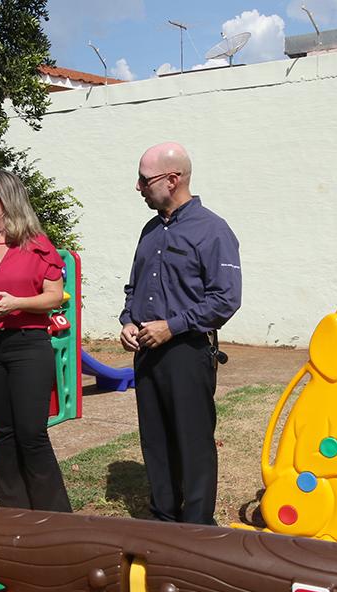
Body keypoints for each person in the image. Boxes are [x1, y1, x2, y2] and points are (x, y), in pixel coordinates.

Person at [119, 142, 242, 525]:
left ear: (173, 180)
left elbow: (226, 299)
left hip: (188, 352)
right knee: (155, 439)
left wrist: (172, 327)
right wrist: (127, 319)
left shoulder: (213, 231)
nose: (139, 188)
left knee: (193, 442)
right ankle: (163, 518)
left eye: (145, 179)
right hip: (147, 351)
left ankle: (197, 525)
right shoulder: (150, 231)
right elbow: (134, 287)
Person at [0, 170, 72, 512]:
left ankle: (55, 515)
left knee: (32, 432)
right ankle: (14, 511)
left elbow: (54, 297)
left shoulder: (38, 246)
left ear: (6, 200)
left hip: (27, 346)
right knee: (3, 432)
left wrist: (18, 303)